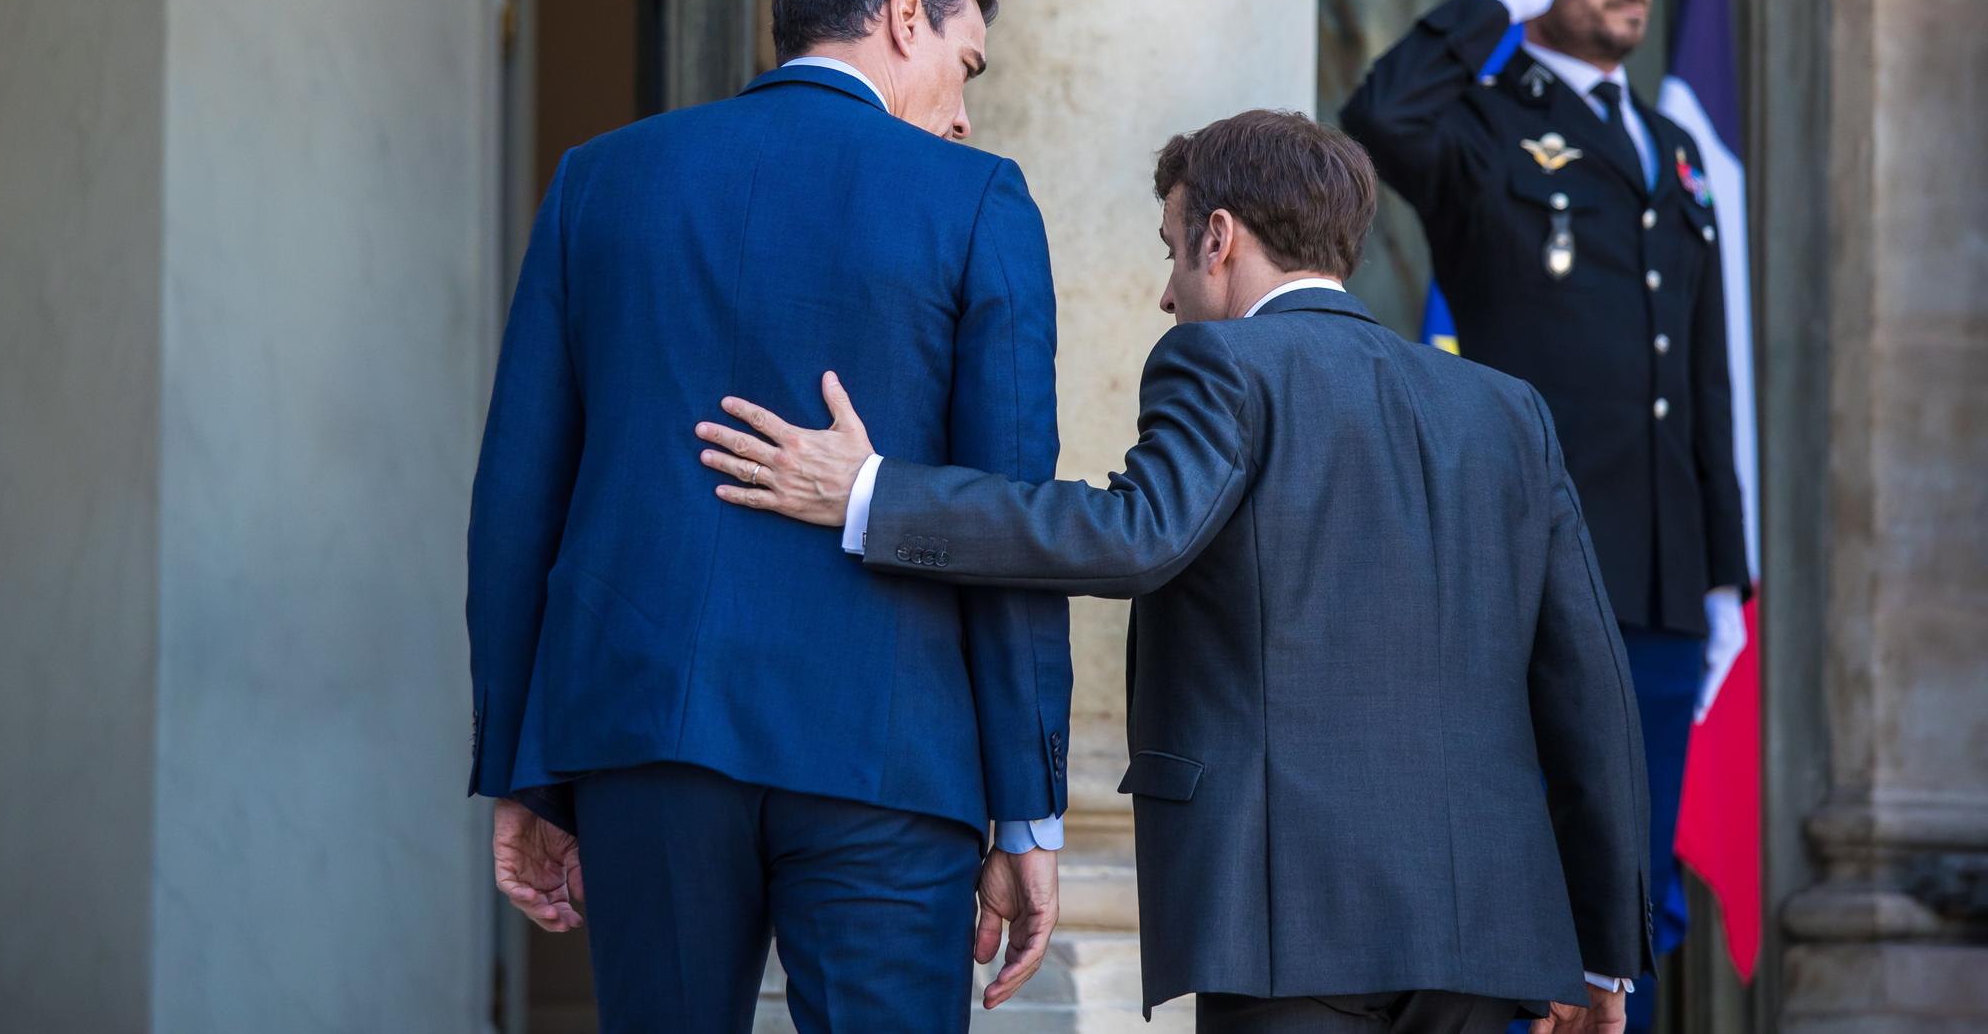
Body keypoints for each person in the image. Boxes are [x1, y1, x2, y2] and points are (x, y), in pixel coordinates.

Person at [697, 110, 1653, 1033]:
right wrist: (1605, 946)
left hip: (1291, 917)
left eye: (1170, 246)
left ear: (1219, 238)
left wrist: (872, 492)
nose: (1166, 291)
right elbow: (1589, 689)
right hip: (1481, 931)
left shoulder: (1221, 363)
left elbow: (1134, 533)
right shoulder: (1505, 408)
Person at [466, 0, 1072, 1033]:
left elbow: (516, 497)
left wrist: (524, 766)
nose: (964, 107)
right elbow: (1010, 522)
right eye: (963, 61)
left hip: (648, 734)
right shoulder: (977, 199)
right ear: (902, 19)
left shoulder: (600, 180)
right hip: (888, 753)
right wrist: (1026, 815)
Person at [1340, 0, 1751, 1033]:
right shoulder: (1480, 127)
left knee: (1637, 895)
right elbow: (1378, 115)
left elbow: (1701, 375)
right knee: (1530, 880)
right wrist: (1486, 5)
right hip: (1527, 567)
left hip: (1663, 578)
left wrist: (1721, 572)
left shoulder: (1667, 147)